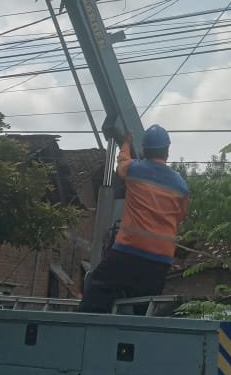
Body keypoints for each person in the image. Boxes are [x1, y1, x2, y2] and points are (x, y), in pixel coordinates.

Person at [78, 124, 189, 313]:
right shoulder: (181, 185)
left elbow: (121, 163)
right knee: (142, 308)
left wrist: (126, 144)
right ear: (167, 151)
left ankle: (81, 333)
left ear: (144, 150)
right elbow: (180, 215)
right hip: (160, 260)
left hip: (128, 251)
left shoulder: (135, 170)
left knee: (97, 292)